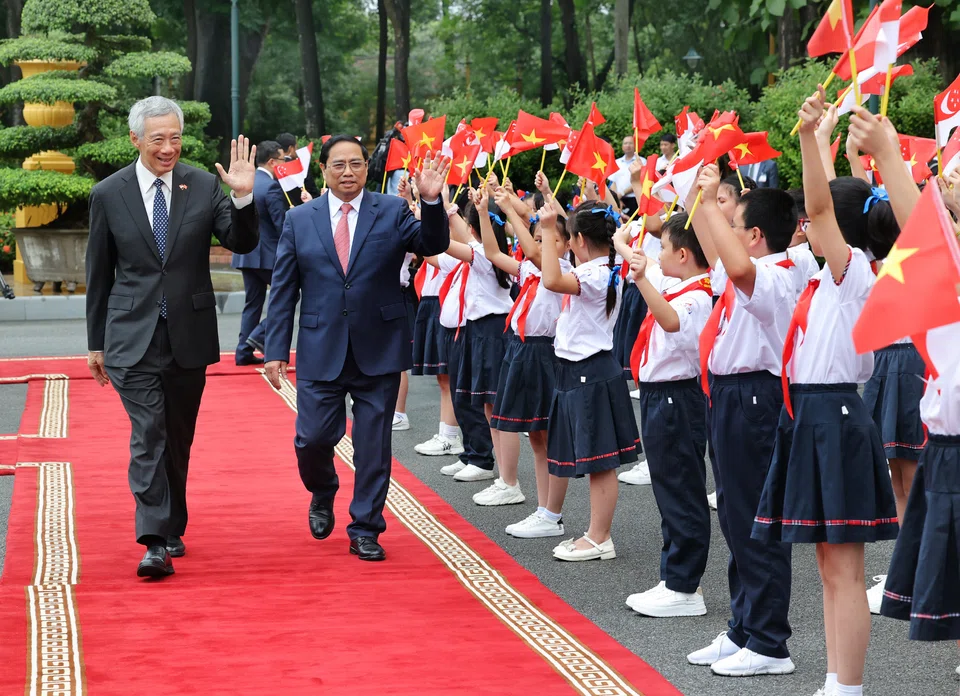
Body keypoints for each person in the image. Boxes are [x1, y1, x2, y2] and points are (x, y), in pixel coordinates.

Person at [753, 89, 900, 696]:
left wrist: (811, 141)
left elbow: (820, 202)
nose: (805, 225)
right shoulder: (825, 277)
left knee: (843, 567)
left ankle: (849, 685)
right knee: (827, 566)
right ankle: (837, 680)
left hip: (834, 414)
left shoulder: (852, 270)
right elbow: (827, 201)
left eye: (813, 222)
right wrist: (828, 144)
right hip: (814, 416)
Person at [85, 96, 259, 578]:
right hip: (130, 337)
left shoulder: (202, 184)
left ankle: (171, 521)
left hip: (188, 334)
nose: (168, 148)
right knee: (150, 434)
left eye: (175, 138)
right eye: (157, 139)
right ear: (135, 139)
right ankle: (154, 540)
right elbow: (98, 274)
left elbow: (241, 241)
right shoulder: (108, 193)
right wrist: (96, 343)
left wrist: (244, 198)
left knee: (177, 437)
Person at [263, 137, 450, 562]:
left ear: (367, 168)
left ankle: (366, 528)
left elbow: (432, 244)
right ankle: (323, 488)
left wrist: (431, 201)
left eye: (356, 164)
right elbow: (284, 289)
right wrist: (275, 349)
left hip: (379, 347)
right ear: (323, 170)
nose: (347, 172)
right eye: (338, 165)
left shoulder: (392, 210)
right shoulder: (299, 218)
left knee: (373, 447)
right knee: (311, 439)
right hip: (320, 346)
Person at [686, 166, 798, 677]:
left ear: (754, 236)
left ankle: (771, 642)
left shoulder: (775, 274)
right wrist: (698, 194)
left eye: (735, 226)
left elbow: (733, 264)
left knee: (755, 519)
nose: (725, 233)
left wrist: (712, 199)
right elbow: (717, 252)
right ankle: (744, 627)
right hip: (731, 395)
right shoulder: (749, 269)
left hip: (755, 397)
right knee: (734, 516)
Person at [619, 212, 713, 618]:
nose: (657, 256)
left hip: (677, 397)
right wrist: (623, 244)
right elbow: (650, 270)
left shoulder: (698, 295)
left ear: (683, 254)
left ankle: (684, 585)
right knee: (668, 487)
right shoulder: (677, 283)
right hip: (661, 396)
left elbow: (672, 321)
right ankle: (674, 575)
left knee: (680, 489)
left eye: (664, 248)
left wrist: (641, 278)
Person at [538, 200, 641, 562]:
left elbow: (551, 280)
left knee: (600, 460)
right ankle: (595, 533)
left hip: (590, 370)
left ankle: (600, 537)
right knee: (594, 456)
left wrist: (547, 227)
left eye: (569, 238)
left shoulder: (596, 274)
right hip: (582, 369)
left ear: (579, 240)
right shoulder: (602, 268)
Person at [479, 187, 569, 527]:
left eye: (551, 239)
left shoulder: (560, 270)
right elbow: (492, 252)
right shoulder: (529, 270)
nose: (543, 245)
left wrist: (509, 209)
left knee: (546, 434)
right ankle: (544, 511)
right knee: (535, 436)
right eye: (539, 238)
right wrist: (485, 213)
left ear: (568, 246)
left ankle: (551, 513)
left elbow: (532, 251)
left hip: (544, 352)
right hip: (520, 349)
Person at [435, 192, 514, 483]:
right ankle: (472, 454)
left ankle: (484, 460)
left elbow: (441, 243)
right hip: (478, 329)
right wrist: (446, 208)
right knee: (468, 394)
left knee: (484, 400)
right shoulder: (486, 250)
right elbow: (462, 235)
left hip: (490, 331)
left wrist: (430, 211)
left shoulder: (482, 255)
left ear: (474, 228)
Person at [230, 140, 287, 365]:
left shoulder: (249, 182)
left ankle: (243, 352)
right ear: (272, 161)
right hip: (268, 256)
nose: (285, 164)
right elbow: (282, 224)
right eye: (283, 159)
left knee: (253, 303)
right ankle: (256, 337)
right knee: (288, 296)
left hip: (246, 254)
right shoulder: (271, 186)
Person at [275, 132, 320, 204]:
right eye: (296, 147)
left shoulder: (274, 167)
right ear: (291, 148)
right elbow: (312, 191)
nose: (297, 151)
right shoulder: (302, 166)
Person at [610, 135, 643, 216]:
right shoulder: (616, 162)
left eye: (630, 143)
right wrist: (616, 198)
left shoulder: (641, 162)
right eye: (625, 143)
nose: (628, 145)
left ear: (635, 145)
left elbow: (640, 180)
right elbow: (613, 182)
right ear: (622, 146)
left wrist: (622, 193)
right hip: (619, 200)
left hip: (634, 199)